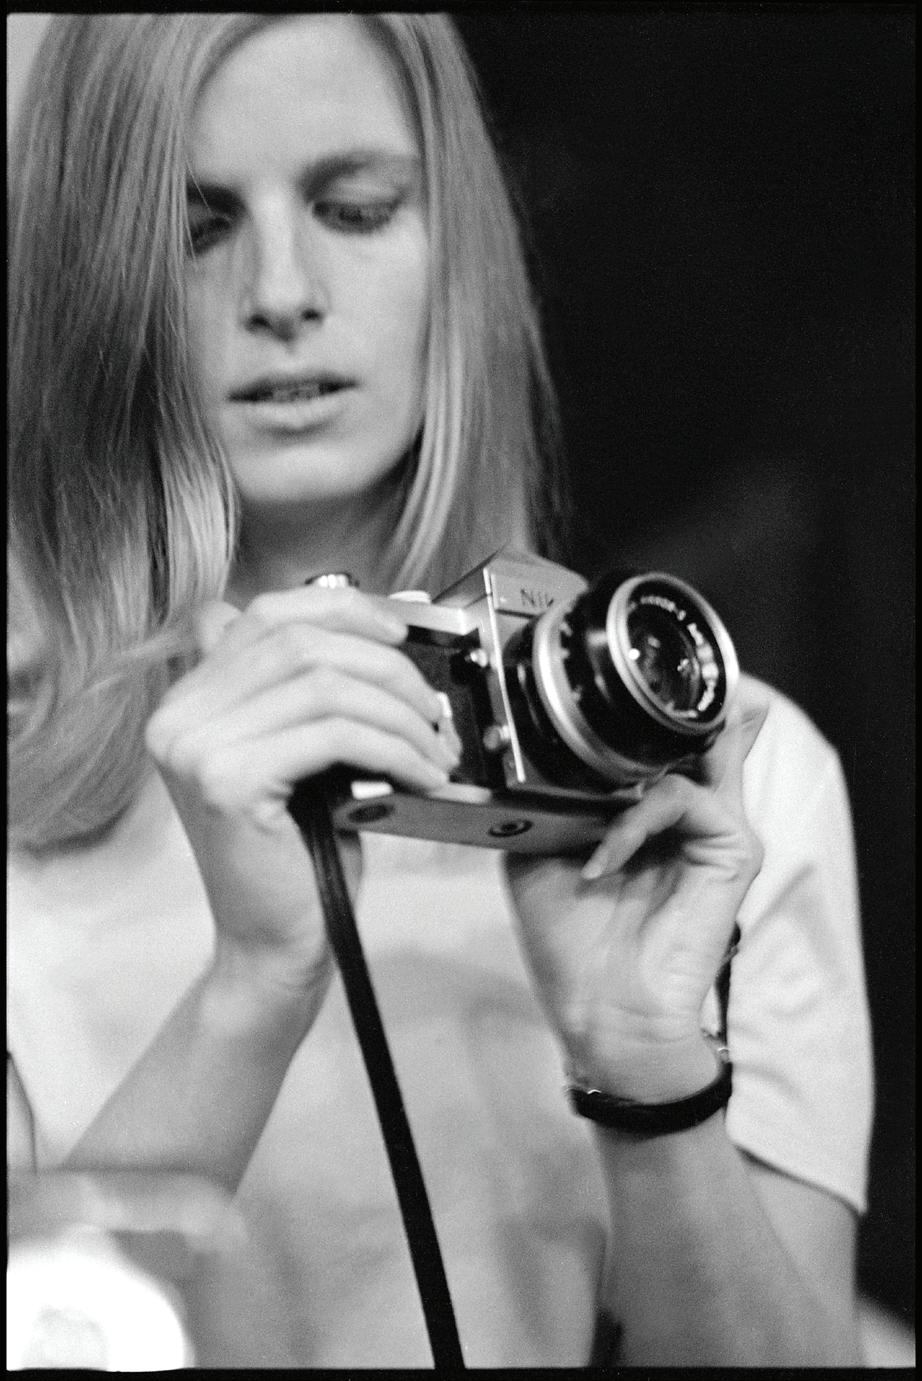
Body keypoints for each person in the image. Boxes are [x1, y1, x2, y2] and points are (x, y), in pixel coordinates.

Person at [7, 13, 873, 1368]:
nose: (282, 291)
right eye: (195, 230)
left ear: (456, 247)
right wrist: (252, 987)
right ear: (86, 284)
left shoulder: (726, 777)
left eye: (355, 208)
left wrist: (648, 1075)